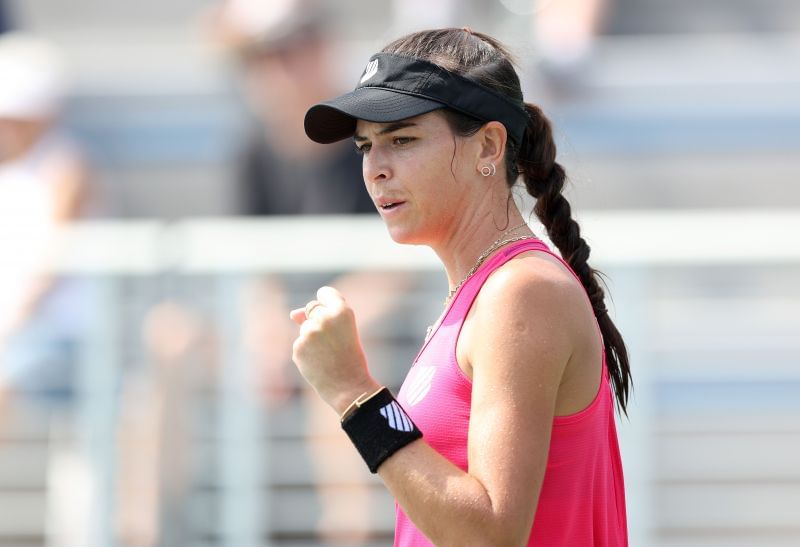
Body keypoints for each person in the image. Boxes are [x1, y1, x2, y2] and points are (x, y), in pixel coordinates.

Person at [291, 28, 631, 545]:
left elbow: (491, 532)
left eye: (402, 140)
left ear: (489, 146)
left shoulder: (521, 292)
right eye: (366, 146)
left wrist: (354, 393)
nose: (375, 169)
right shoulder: (488, 290)